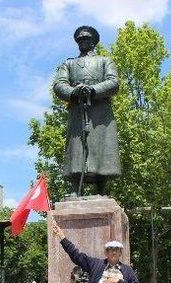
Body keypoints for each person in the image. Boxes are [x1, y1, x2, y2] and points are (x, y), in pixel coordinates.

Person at [53, 25, 121, 196]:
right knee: (76, 148)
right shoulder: (69, 64)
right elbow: (59, 85)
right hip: (78, 109)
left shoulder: (105, 61)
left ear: (93, 42)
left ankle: (102, 189)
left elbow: (113, 82)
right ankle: (76, 189)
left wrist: (93, 90)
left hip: (100, 112)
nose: (82, 41)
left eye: (86, 38)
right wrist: (74, 92)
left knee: (101, 146)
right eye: (80, 39)